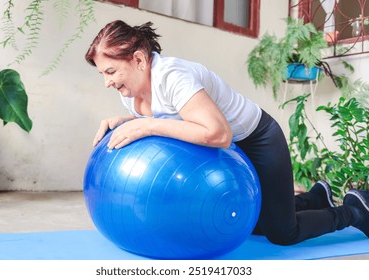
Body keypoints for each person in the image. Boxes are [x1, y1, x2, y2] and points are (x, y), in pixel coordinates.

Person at [85, 20, 369, 245]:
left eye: (111, 71)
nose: (107, 83)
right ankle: (316, 197)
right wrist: (126, 121)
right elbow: (168, 118)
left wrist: (145, 124)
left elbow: (218, 134)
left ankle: (353, 211)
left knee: (282, 233)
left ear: (138, 60)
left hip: (257, 140)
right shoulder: (131, 92)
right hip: (228, 154)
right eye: (102, 74)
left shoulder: (173, 77)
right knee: (247, 221)